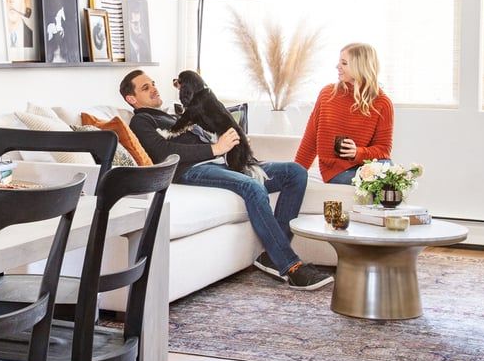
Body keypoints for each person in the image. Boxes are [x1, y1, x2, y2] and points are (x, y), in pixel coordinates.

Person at [120, 70, 333, 290]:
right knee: (252, 187)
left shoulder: (173, 114)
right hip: (191, 170)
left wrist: (233, 140)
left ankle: (271, 256)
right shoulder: (141, 120)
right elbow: (163, 151)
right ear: (131, 99)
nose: (154, 88)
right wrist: (215, 148)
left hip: (223, 162)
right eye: (146, 87)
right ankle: (291, 266)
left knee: (295, 172)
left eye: (153, 83)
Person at [295, 43, 394, 186]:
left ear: (360, 67)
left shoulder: (383, 103)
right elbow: (311, 138)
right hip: (336, 171)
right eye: (339, 62)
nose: (337, 66)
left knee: (389, 172)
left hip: (367, 166)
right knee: (385, 180)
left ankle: (374, 208)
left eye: (344, 63)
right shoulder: (328, 94)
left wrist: (357, 153)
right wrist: (295, 172)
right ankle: (338, 208)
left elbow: (383, 149)